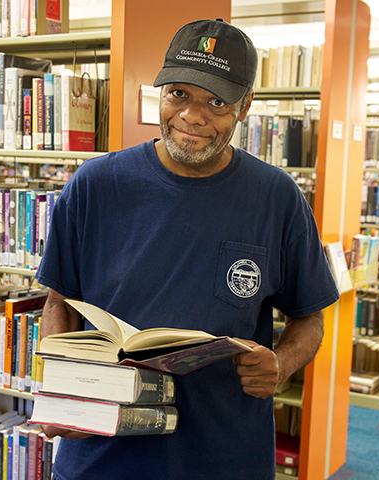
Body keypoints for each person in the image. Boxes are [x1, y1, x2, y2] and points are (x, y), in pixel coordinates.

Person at [36, 18, 339, 480]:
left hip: (223, 456)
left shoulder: (277, 198)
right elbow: (59, 302)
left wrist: (281, 364)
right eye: (178, 93)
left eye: (216, 102)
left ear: (245, 106)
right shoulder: (95, 186)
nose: (192, 116)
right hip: (101, 457)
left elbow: (310, 315)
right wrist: (63, 389)